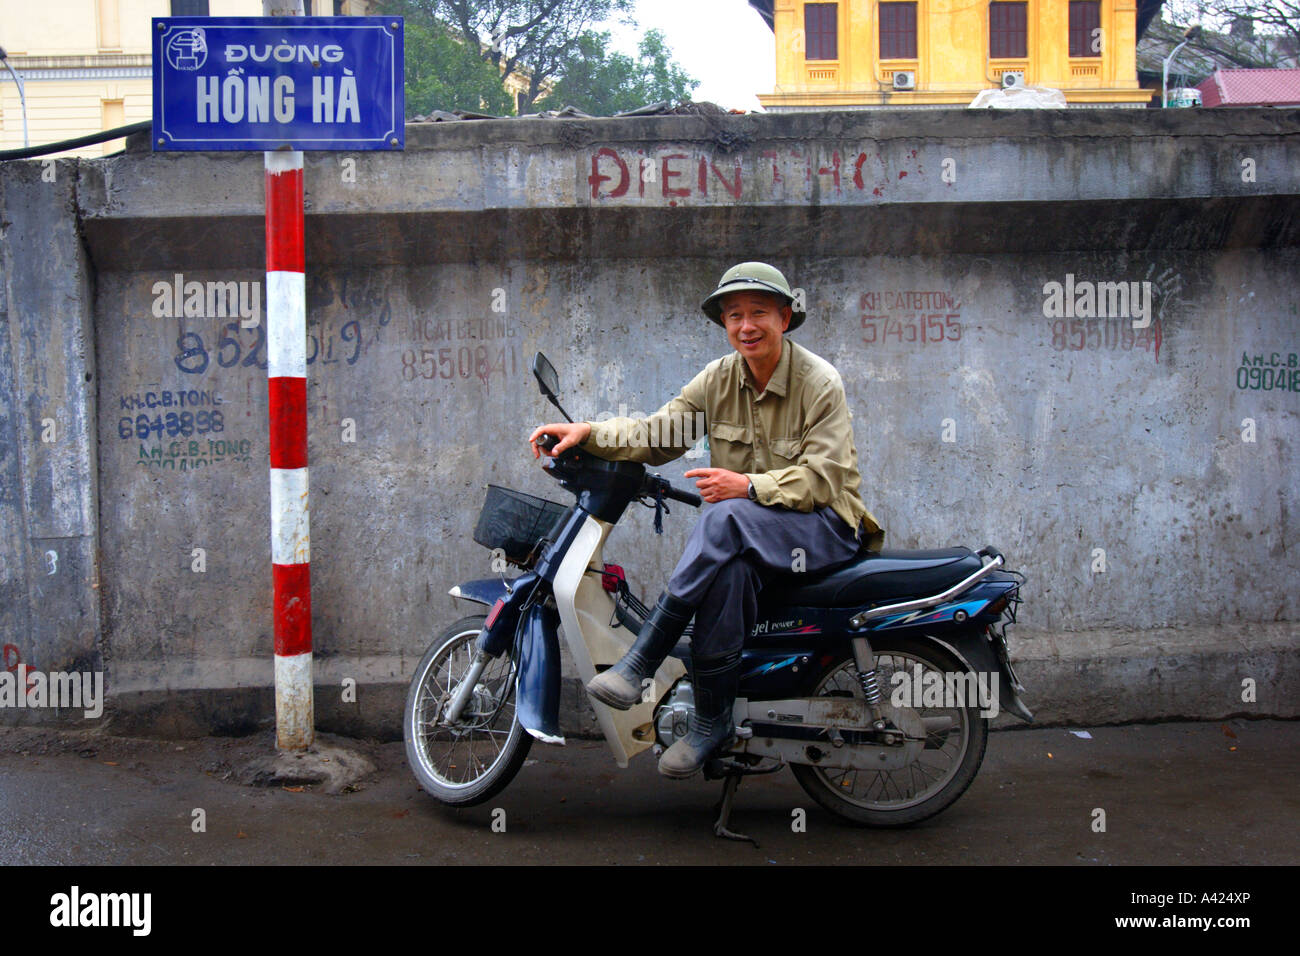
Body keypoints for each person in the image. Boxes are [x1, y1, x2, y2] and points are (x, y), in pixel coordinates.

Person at [527, 262, 884, 778]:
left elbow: (826, 479)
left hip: (823, 527)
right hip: (753, 536)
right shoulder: (718, 380)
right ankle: (712, 722)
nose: (746, 326)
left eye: (759, 313)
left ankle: (643, 659)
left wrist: (749, 486)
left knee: (724, 517)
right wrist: (588, 431)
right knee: (727, 574)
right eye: (734, 315)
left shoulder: (819, 382)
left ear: (784, 317)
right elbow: (656, 434)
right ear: (724, 324)